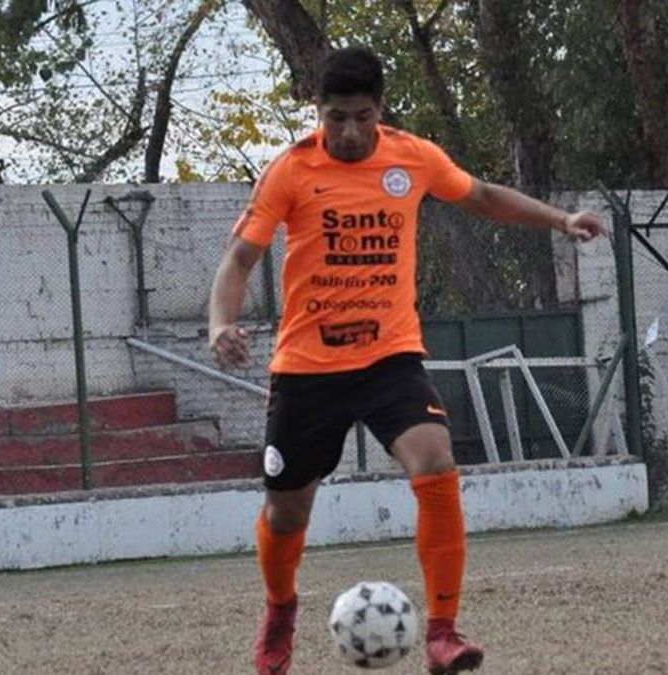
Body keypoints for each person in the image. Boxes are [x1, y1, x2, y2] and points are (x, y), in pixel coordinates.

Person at [207, 45, 603, 675]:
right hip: (307, 369)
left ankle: (443, 633)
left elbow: (482, 196)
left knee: (436, 460)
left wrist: (560, 220)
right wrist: (221, 322)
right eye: (337, 117)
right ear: (319, 111)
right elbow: (238, 260)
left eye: (362, 116)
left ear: (380, 109)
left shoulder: (411, 157)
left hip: (390, 356)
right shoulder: (290, 170)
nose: (350, 131)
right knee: (286, 512)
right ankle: (280, 609)